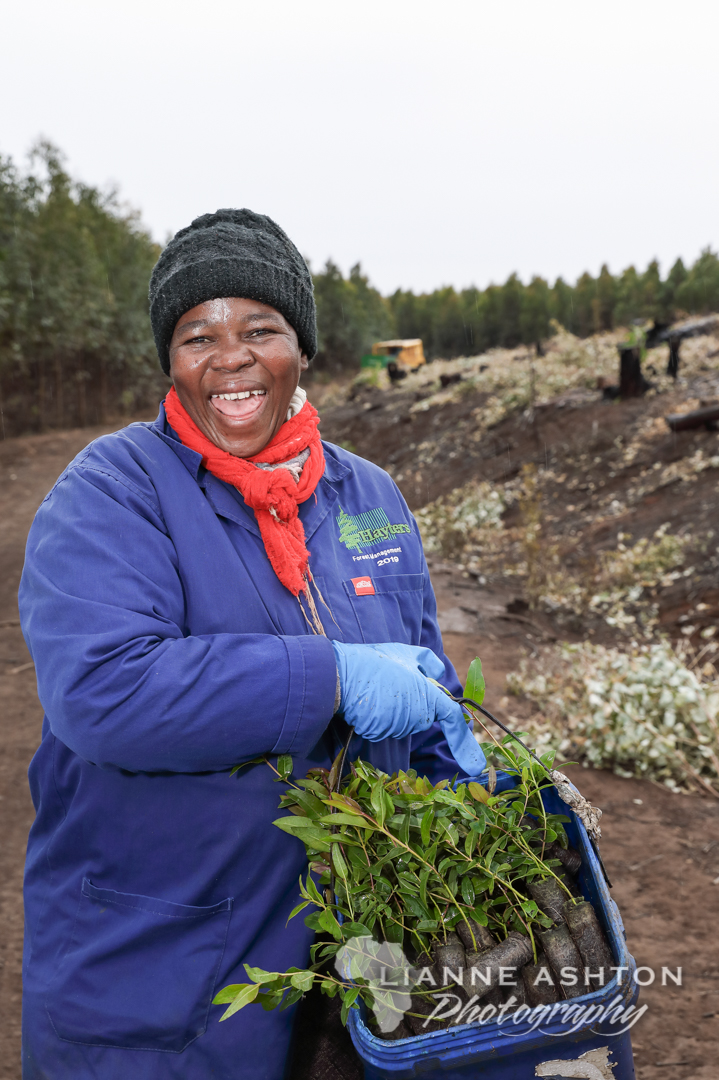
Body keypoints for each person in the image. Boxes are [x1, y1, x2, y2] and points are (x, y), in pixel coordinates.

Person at [18, 209, 485, 1080]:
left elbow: (418, 673)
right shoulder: (113, 492)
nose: (229, 356)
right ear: (170, 359)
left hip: (350, 965)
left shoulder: (366, 495)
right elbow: (105, 690)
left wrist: (456, 770)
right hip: (162, 972)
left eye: (259, 328)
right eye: (197, 334)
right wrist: (334, 675)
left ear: (300, 347)